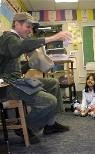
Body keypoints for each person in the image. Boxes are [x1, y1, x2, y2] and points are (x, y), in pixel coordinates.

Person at [0, 12, 72, 143]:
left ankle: (50, 125)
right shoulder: (8, 38)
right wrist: (52, 38)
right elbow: (18, 48)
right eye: (27, 26)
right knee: (49, 101)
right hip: (6, 87)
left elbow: (15, 69)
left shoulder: (14, 40)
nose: (29, 30)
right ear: (17, 24)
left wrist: (30, 64)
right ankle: (24, 127)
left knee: (53, 83)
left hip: (15, 81)